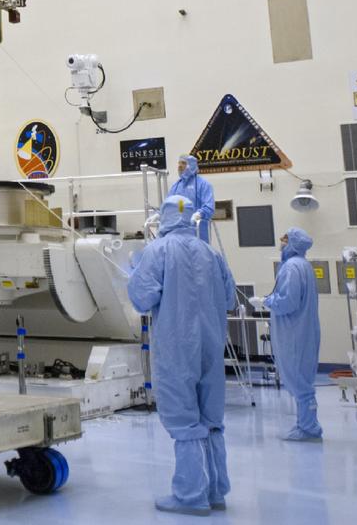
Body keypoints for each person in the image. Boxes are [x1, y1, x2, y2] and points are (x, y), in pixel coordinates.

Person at [127, 196, 235, 516]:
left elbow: (142, 298)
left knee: (185, 420)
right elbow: (228, 297)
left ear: (164, 217)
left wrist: (134, 273)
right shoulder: (211, 253)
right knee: (211, 418)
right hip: (212, 346)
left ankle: (190, 495)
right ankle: (216, 490)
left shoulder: (157, 251)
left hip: (178, 347)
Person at [252, 227, 322, 441]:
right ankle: (307, 424)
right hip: (303, 331)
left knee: (298, 380)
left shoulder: (291, 267)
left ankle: (308, 428)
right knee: (303, 379)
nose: (281, 243)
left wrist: (266, 302)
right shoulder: (303, 266)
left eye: (284, 239)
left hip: (294, 333)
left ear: (292, 243)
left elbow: (289, 302)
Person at [167, 154, 215, 242]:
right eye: (179, 163)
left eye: (183, 163)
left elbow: (209, 206)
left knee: (198, 254)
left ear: (191, 166)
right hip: (177, 233)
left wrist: (199, 214)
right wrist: (159, 214)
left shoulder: (203, 184)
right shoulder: (176, 186)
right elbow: (168, 206)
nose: (180, 166)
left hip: (197, 231)